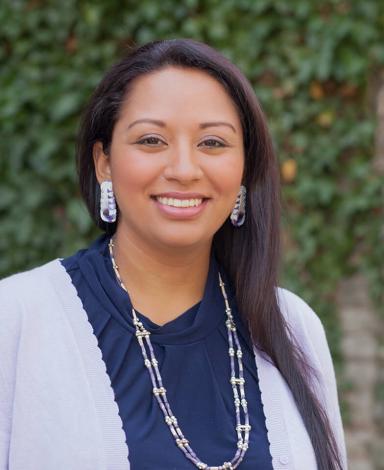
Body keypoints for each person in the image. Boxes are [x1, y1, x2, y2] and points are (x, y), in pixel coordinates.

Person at [0, 39, 347, 470]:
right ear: (103, 161)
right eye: (151, 140)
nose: (184, 169)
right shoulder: (16, 319)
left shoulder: (293, 327)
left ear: (244, 168)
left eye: (213, 143)